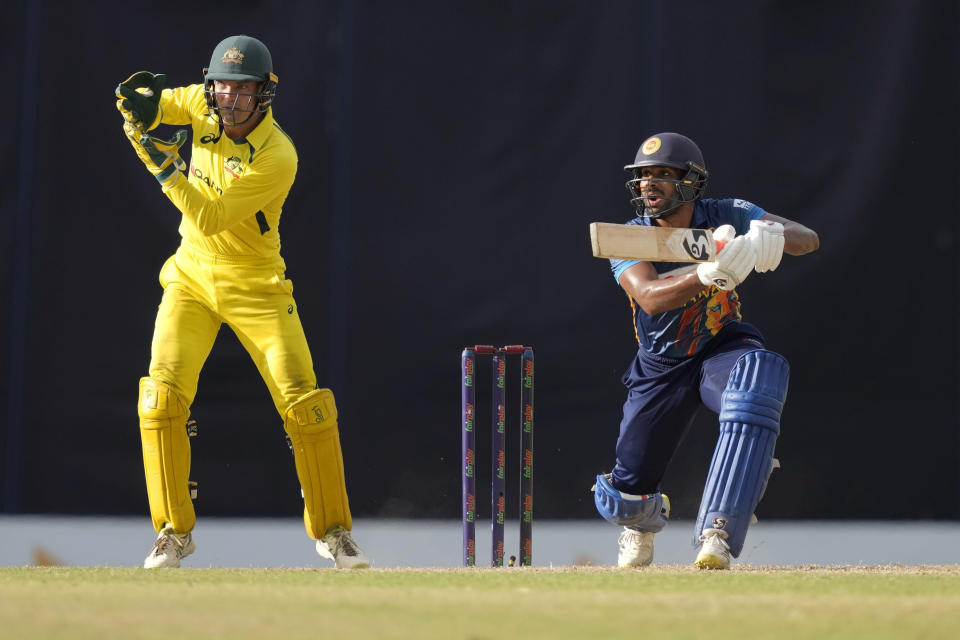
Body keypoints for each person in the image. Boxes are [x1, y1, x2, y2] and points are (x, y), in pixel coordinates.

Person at [115, 35, 369, 569]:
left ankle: (333, 531)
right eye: (223, 85)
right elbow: (158, 105)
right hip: (191, 275)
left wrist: (161, 167)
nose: (229, 98)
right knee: (160, 395)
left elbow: (208, 216)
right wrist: (136, 102)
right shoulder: (201, 102)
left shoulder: (280, 156)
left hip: (257, 284)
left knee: (305, 401)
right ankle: (171, 532)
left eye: (243, 89)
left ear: (264, 94)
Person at [592, 132, 819, 569]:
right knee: (628, 494)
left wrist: (766, 234)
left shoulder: (726, 213)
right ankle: (639, 526)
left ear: (693, 183)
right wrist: (708, 273)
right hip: (661, 362)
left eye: (664, 175)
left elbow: (807, 238)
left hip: (721, 344)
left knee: (754, 384)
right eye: (643, 176)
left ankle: (719, 527)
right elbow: (651, 297)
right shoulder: (629, 237)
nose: (649, 184)